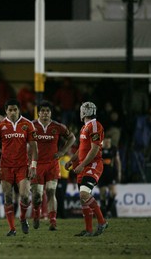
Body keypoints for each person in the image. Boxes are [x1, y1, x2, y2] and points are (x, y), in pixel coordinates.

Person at [0, 99, 38, 236]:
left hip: (22, 165)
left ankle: (22, 217)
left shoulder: (27, 124)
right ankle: (12, 228)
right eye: (10, 110)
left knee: (25, 196)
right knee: (8, 196)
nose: (13, 112)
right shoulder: (0, 126)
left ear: (19, 110)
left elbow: (34, 147)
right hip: (6, 166)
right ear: (6, 111)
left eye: (15, 109)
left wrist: (33, 165)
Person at [31, 101, 76, 231]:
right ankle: (36, 213)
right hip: (37, 164)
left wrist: (62, 151)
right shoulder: (31, 125)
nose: (45, 113)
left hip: (52, 164)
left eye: (48, 111)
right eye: (43, 111)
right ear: (38, 112)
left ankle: (53, 221)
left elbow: (72, 138)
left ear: (51, 113)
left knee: (51, 191)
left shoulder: (57, 126)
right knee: (37, 196)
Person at [65, 101, 108, 237]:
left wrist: (82, 165)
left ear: (83, 112)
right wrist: (72, 161)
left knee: (84, 194)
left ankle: (102, 221)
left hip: (93, 165)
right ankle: (88, 230)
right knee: (83, 199)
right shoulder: (85, 127)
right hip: (83, 165)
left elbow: (95, 149)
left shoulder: (95, 125)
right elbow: (82, 149)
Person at [98, 137, 122, 218]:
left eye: (109, 141)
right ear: (103, 141)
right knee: (103, 193)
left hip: (111, 174)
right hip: (101, 174)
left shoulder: (114, 149)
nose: (107, 142)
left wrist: (119, 173)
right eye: (106, 141)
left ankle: (107, 210)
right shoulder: (99, 149)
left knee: (114, 193)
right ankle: (104, 213)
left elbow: (117, 161)